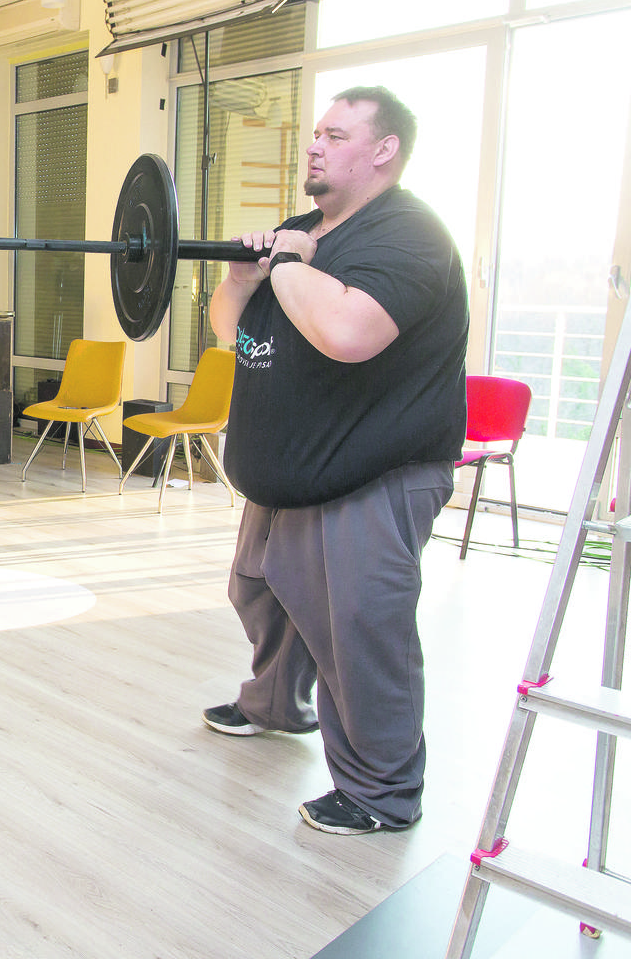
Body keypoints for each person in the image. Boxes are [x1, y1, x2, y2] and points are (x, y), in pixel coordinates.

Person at [203, 85, 468, 836]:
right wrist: (242, 279)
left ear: (383, 151)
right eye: (316, 132)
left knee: (358, 631)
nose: (314, 145)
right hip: (288, 468)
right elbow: (229, 332)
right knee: (261, 594)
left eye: (336, 135)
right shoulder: (298, 232)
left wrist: (288, 266)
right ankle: (274, 705)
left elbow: (350, 333)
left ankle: (381, 792)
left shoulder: (409, 234)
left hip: (370, 470)